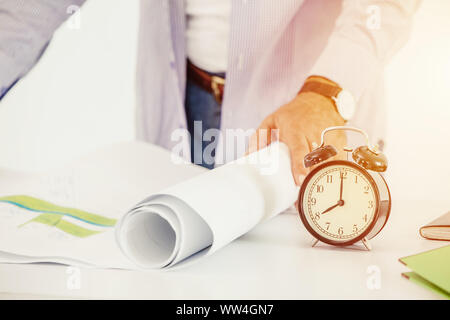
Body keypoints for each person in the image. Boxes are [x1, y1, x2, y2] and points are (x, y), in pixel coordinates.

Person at [0, 0, 419, 185]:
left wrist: (325, 94)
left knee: (299, 273)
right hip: (184, 106)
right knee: (180, 277)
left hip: (306, 110)